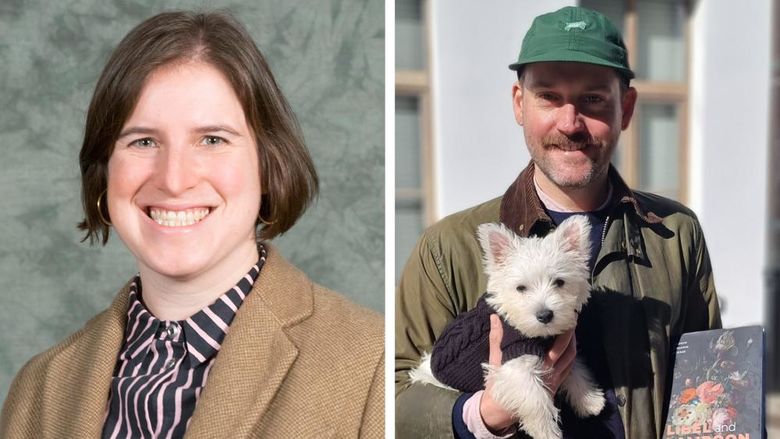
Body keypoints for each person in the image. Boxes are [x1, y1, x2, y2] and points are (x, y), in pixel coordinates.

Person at [0, 11, 383, 439]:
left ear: (269, 165)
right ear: (103, 171)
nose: (174, 179)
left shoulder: (372, 367)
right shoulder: (39, 390)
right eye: (143, 141)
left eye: (212, 140)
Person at [395, 6, 721, 438]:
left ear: (625, 107)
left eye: (593, 99)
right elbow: (395, 398)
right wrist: (484, 413)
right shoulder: (447, 247)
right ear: (519, 104)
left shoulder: (675, 234)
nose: (570, 123)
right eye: (548, 96)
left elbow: (710, 378)